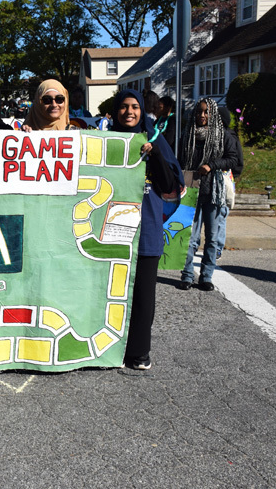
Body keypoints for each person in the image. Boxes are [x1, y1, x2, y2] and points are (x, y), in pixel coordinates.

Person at [111, 89, 183, 370]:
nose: (129, 112)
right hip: (112, 228)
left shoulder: (154, 139)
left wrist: (155, 156)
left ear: (142, 111)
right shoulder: (106, 140)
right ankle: (110, 350)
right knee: (111, 292)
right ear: (115, 111)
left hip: (146, 228)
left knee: (143, 295)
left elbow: (169, 185)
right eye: (123, 107)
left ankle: (139, 352)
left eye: (135, 107)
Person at [178, 98, 240, 292]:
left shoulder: (222, 135)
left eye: (206, 112)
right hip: (191, 190)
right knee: (190, 237)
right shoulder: (188, 135)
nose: (202, 115)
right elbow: (178, 160)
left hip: (213, 191)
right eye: (199, 112)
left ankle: (206, 276)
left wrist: (211, 165)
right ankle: (187, 275)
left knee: (212, 238)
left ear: (212, 114)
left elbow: (233, 159)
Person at [215, 106, 244, 259]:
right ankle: (216, 247)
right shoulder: (214, 135)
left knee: (221, 213)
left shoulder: (229, 137)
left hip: (223, 178)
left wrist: (231, 175)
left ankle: (217, 247)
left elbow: (238, 161)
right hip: (215, 179)